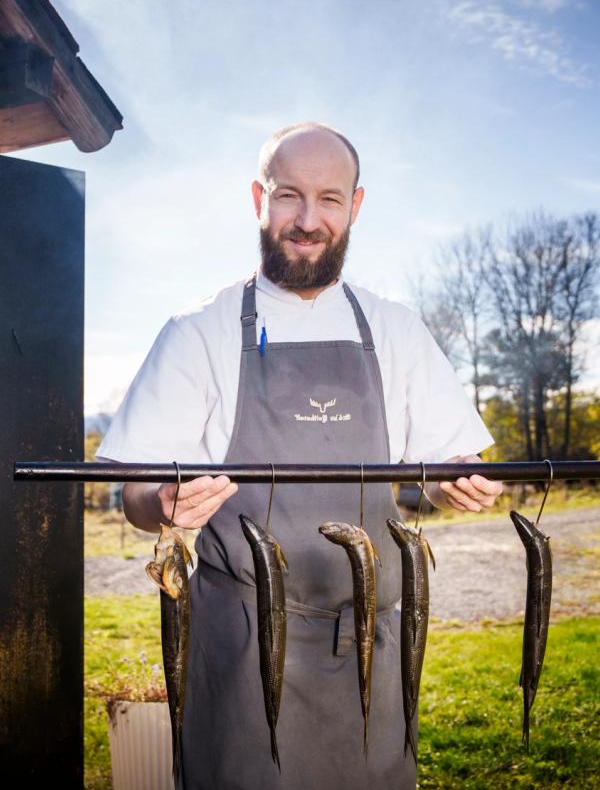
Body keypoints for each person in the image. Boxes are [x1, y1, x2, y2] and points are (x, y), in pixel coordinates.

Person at [97, 122, 503, 789]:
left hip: (372, 648)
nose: (308, 220)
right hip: (245, 649)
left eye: (329, 199)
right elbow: (136, 492)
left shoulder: (395, 328)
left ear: (356, 205)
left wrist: (456, 480)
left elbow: (444, 462)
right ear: (259, 198)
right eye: (289, 196)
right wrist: (161, 504)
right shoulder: (198, 331)